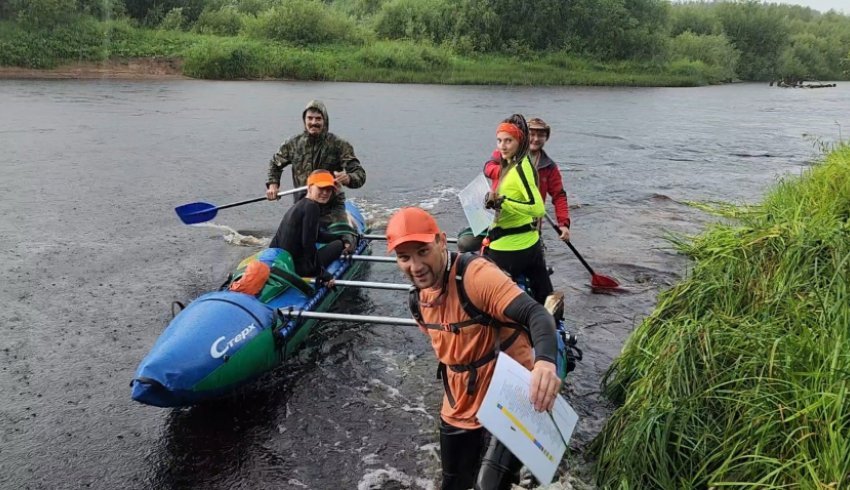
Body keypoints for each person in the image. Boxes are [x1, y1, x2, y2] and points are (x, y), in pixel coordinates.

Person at [385, 207, 562, 490]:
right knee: (454, 484)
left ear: (442, 241)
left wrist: (545, 363)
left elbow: (536, 315)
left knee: (488, 485)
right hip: (460, 399)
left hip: (511, 391)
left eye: (423, 251)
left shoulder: (476, 276)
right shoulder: (417, 301)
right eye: (404, 257)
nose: (415, 266)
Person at [458, 116, 571, 252]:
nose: (535, 139)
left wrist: (563, 224)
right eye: (532, 134)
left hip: (526, 224)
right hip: (495, 216)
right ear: (523, 136)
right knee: (465, 244)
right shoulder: (505, 151)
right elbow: (488, 167)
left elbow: (559, 196)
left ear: (546, 138)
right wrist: (508, 172)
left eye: (540, 135)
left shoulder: (549, 167)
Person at [266, 100, 366, 248]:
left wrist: (348, 178)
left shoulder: (339, 145)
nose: (313, 122)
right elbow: (275, 164)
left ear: (325, 120)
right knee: (286, 244)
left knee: (347, 245)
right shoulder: (293, 144)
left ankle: (349, 236)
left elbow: (360, 174)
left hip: (332, 206)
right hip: (303, 205)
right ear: (304, 120)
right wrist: (273, 185)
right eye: (310, 118)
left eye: (318, 119)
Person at [476, 114, 553, 305]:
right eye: (499, 140)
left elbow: (538, 209)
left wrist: (504, 202)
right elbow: (488, 166)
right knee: (544, 295)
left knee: (481, 296)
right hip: (526, 242)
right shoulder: (510, 162)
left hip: (510, 249)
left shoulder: (520, 167)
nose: (502, 145)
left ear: (519, 142)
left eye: (508, 141)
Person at [269, 169, 349, 287]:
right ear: (310, 187)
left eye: (329, 189)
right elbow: (308, 244)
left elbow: (316, 236)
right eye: (321, 188)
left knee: (338, 240)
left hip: (283, 264)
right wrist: (321, 273)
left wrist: (341, 236)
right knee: (338, 245)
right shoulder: (312, 208)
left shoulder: (299, 205)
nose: (325, 193)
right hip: (299, 270)